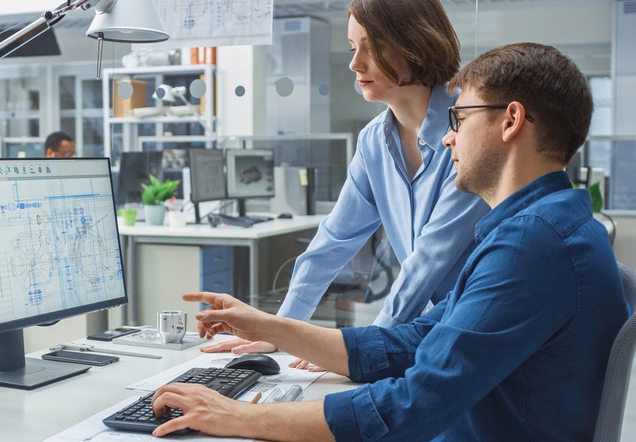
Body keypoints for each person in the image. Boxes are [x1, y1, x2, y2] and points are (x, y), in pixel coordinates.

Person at [149, 42, 628, 441]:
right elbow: (414, 341)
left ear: (510, 121)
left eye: (459, 119)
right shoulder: (536, 226)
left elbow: (415, 406)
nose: (447, 139)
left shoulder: (533, 244)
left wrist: (238, 416)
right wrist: (272, 327)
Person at [203, 0, 489, 357]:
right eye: (354, 48)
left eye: (372, 47)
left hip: (484, 328)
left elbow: (430, 259)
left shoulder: (471, 128)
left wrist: (362, 352)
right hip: (434, 331)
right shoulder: (374, 141)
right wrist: (284, 330)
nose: (355, 64)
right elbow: (334, 240)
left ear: (415, 43)